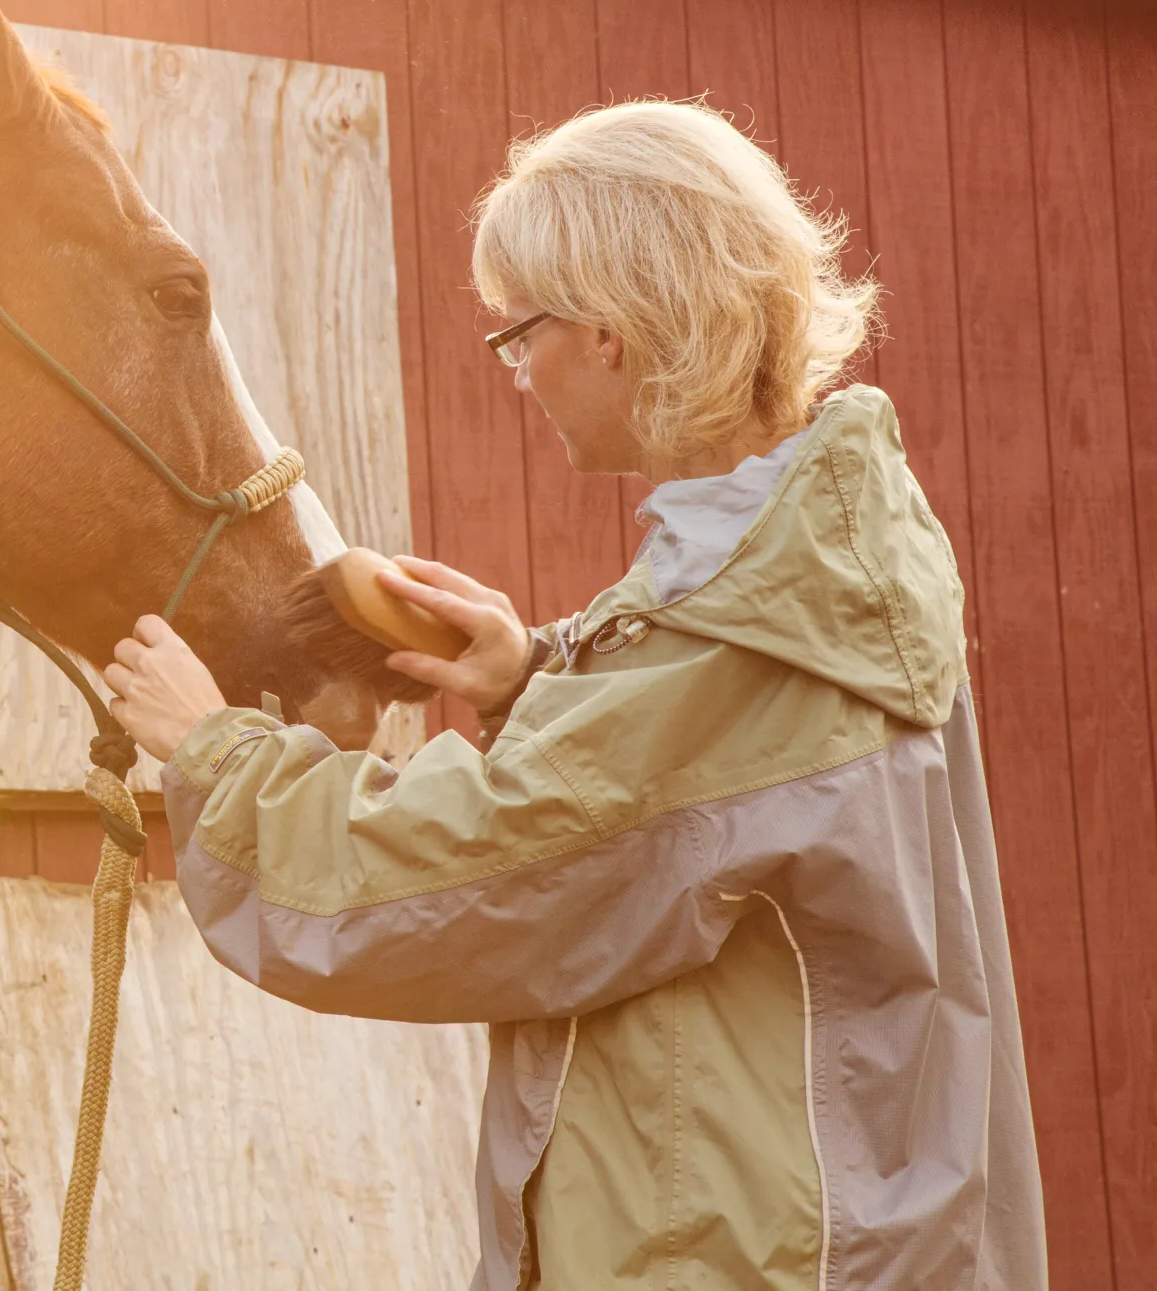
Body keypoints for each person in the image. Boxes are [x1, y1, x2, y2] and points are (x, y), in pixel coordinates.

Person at [104, 100, 1045, 1291]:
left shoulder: (758, 635)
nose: (516, 372)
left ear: (608, 331)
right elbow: (681, 810)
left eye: (518, 334)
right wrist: (532, 676)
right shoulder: (798, 562)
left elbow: (465, 878)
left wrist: (214, 753)